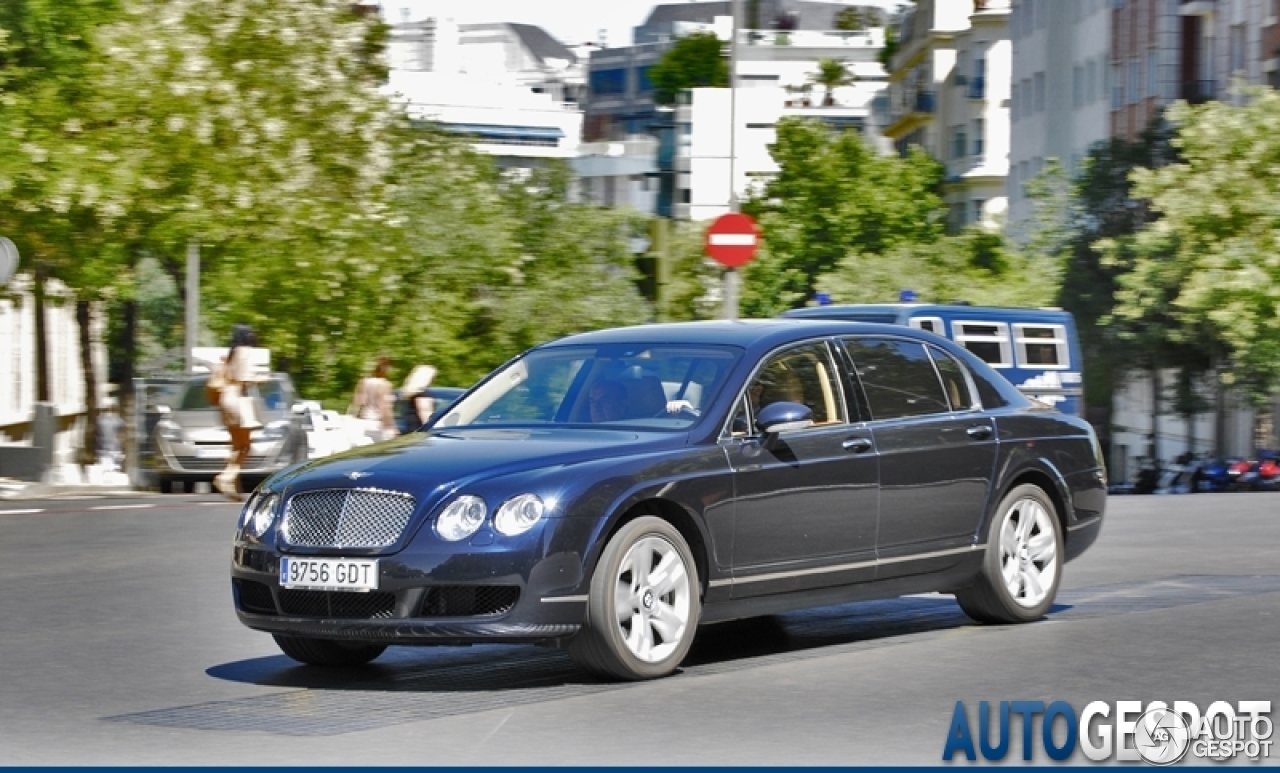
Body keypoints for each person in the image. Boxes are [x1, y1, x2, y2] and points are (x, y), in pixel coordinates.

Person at [214, 324, 264, 501]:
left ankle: (232, 487)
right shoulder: (244, 351)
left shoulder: (231, 353)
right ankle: (225, 477)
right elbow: (243, 378)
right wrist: (262, 378)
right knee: (246, 447)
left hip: (225, 399)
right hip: (237, 399)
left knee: (237, 446)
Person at [352, 355, 398, 443]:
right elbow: (385, 407)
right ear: (386, 368)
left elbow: (358, 403)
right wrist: (392, 427)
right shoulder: (386, 385)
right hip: (378, 424)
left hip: (363, 422)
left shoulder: (363, 382)